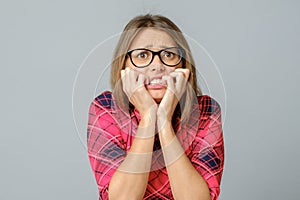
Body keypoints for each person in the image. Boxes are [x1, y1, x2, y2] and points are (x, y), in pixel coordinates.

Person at [87, 14, 224, 200]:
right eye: (142, 55)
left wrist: (164, 122)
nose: (157, 66)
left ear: (183, 64)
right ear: (124, 65)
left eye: (168, 54)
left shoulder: (206, 110)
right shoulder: (105, 108)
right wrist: (149, 117)